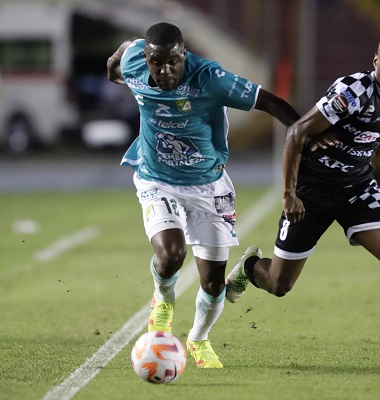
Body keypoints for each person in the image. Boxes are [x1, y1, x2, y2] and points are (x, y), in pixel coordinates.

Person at [225, 24, 380, 373]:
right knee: (279, 284)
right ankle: (250, 267)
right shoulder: (352, 90)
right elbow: (296, 132)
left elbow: (375, 145)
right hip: (312, 190)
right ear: (376, 61)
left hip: (357, 188)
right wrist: (289, 193)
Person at [106, 22, 300, 369]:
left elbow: (270, 102)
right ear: (147, 59)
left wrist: (306, 138)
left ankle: (197, 339)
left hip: (209, 186)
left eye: (173, 62)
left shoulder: (210, 78)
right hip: (156, 179)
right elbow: (126, 49)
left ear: (184, 55)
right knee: (172, 254)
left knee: (212, 283)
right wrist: (113, 63)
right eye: (156, 62)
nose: (165, 70)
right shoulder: (135, 60)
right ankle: (163, 302)